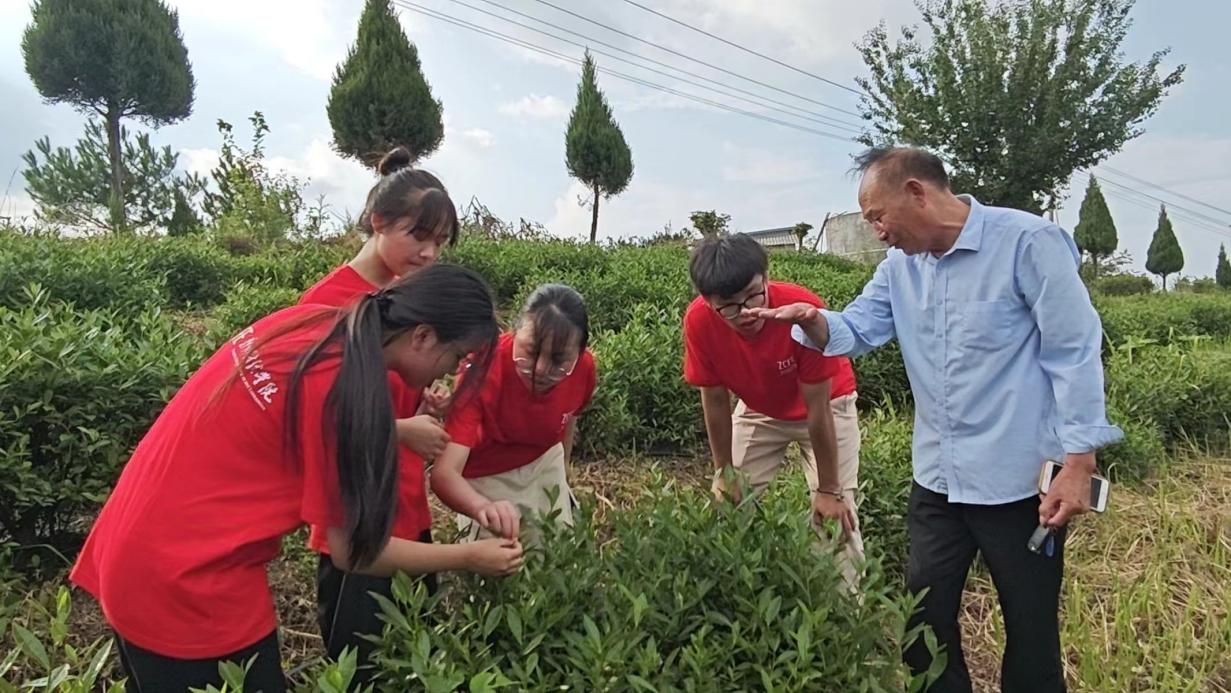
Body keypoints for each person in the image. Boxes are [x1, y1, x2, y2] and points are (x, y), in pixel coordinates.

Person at [752, 146, 1123, 693]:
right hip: (938, 480)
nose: (877, 231)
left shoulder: (1026, 243)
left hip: (1017, 482)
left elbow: (1073, 350)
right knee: (923, 614)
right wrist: (814, 320)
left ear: (917, 193)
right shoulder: (901, 267)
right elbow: (859, 328)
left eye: (878, 216)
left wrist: (1079, 461)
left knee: (1029, 625)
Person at [70, 265, 524, 693]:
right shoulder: (342, 391)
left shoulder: (314, 321)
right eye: (456, 356)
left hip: (132, 548)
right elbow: (355, 554)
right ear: (422, 336)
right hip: (186, 582)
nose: (450, 371)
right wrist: (469, 555)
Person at [299, 147, 456, 676]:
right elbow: (311, 416)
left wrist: (425, 402)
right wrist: (399, 428)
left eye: (441, 242)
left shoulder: (403, 297)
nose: (430, 253)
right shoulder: (326, 304)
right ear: (378, 222)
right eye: (419, 236)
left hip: (407, 503)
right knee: (361, 666)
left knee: (418, 656)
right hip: (356, 514)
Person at [682, 233, 864, 586]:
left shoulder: (802, 308)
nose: (747, 312)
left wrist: (829, 490)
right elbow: (715, 400)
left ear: (766, 277)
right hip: (761, 409)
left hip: (829, 403)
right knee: (727, 503)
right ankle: (734, 595)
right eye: (730, 306)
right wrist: (724, 471)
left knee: (837, 514)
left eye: (753, 294)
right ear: (707, 301)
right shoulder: (700, 322)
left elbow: (818, 409)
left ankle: (845, 617)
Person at [431, 284, 596, 545]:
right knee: (499, 562)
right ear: (514, 330)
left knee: (554, 553)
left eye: (557, 359)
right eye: (530, 352)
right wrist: (483, 508)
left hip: (543, 460)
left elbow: (570, 416)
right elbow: (445, 473)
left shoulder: (584, 369)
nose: (541, 369)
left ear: (580, 352)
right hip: (487, 473)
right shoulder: (482, 368)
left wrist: (562, 466)